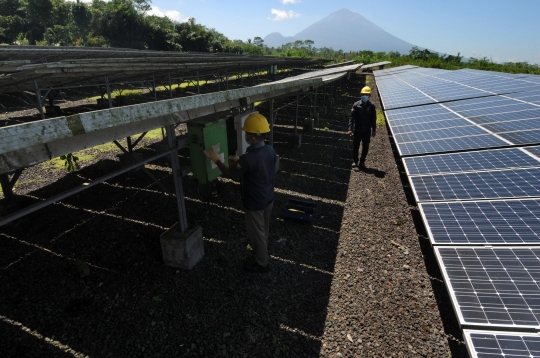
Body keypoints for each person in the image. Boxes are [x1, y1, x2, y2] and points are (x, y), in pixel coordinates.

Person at [203, 113, 279, 273]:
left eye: (246, 134)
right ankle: (262, 249)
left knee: (256, 233)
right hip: (268, 198)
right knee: (263, 228)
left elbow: (231, 175)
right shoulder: (270, 150)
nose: (245, 136)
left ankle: (262, 262)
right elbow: (270, 167)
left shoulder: (248, 159)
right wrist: (242, 163)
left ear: (251, 137)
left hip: (254, 202)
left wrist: (216, 159)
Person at [347, 86, 377, 169]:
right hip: (357, 130)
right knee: (355, 146)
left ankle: (362, 162)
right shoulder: (356, 105)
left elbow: (373, 119)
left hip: (367, 131)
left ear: (369, 96)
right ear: (361, 95)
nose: (364, 95)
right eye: (363, 94)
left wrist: (374, 130)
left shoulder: (372, 106)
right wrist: (350, 129)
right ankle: (355, 161)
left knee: (366, 146)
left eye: (366, 94)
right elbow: (351, 118)